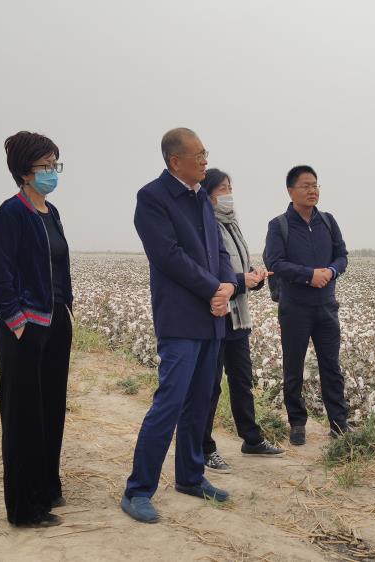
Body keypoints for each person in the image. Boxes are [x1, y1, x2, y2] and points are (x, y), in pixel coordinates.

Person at [121, 128, 237, 524]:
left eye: (206, 153)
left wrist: (228, 285)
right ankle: (138, 490)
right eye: (199, 154)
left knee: (200, 402)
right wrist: (213, 288)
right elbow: (167, 256)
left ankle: (190, 476)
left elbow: (219, 250)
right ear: (175, 161)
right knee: (169, 402)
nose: (206, 161)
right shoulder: (152, 198)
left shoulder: (201, 196)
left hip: (212, 316)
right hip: (181, 319)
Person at [0, 131, 73, 528]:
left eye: (55, 164)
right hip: (25, 328)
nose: (52, 172)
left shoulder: (51, 213)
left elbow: (59, 266)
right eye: (45, 166)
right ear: (24, 172)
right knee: (23, 416)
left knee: (51, 408)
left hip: (56, 322)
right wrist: (17, 322)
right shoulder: (9, 215)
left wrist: (66, 310)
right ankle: (24, 508)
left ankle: (47, 488)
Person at [200, 168, 285, 474]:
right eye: (223, 188)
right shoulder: (205, 225)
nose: (229, 194)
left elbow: (238, 266)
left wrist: (254, 277)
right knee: (210, 385)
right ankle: (204, 446)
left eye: (230, 187)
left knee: (242, 380)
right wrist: (241, 280)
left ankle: (251, 438)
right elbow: (209, 272)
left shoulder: (232, 224)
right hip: (217, 315)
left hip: (239, 317)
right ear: (208, 194)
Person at [263, 165, 349, 446]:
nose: (313, 190)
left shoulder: (328, 221)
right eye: (306, 186)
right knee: (293, 367)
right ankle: (297, 423)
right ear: (291, 191)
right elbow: (275, 263)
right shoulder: (279, 226)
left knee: (331, 366)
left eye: (315, 185)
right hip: (295, 308)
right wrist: (309, 275)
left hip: (326, 307)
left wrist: (331, 271)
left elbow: (342, 256)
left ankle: (339, 424)